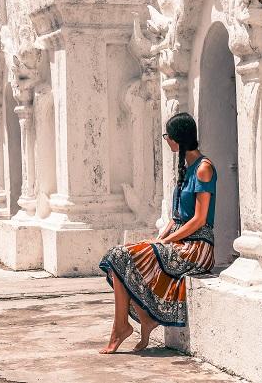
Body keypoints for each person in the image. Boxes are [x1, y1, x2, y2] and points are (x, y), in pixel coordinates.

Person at [98, 112, 217, 354]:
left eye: (168, 136)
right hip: (180, 240)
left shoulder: (204, 169)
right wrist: (160, 239)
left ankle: (124, 325)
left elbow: (199, 219)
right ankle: (136, 320)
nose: (166, 140)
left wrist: (165, 241)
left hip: (197, 247)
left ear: (178, 138)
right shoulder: (187, 166)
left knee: (122, 255)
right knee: (117, 257)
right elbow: (176, 218)